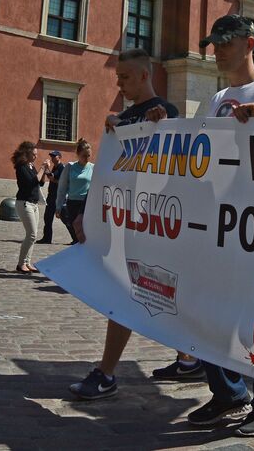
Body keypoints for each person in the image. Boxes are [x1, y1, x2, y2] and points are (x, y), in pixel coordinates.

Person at [184, 15, 254, 438]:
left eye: (226, 42)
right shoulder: (217, 99)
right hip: (221, 221)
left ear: (251, 42)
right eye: (214, 43)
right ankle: (230, 393)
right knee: (208, 312)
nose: (217, 50)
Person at [69, 48, 201, 401]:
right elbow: (111, 172)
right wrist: (89, 210)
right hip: (129, 220)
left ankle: (108, 373)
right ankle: (187, 359)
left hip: (152, 222)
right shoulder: (126, 116)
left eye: (126, 77)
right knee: (142, 293)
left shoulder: (166, 112)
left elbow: (173, 167)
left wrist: (162, 128)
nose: (120, 83)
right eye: (118, 77)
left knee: (135, 294)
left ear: (144, 75)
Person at [11, 141, 48, 273]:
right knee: (31, 234)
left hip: (34, 203)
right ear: (27, 153)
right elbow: (32, 181)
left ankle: (27, 262)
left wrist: (44, 171)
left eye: (36, 154)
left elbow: (40, 183)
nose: (36, 157)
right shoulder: (22, 167)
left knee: (34, 235)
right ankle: (21, 264)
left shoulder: (31, 166)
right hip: (24, 203)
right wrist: (42, 168)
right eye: (34, 154)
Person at [59, 139, 93, 244]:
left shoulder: (93, 168)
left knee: (86, 233)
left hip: (86, 204)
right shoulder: (70, 167)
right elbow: (62, 187)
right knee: (76, 233)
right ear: (78, 154)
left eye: (88, 156)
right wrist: (58, 205)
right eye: (84, 156)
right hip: (73, 203)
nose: (86, 158)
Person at [39, 150, 63, 244]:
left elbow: (54, 179)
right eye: (51, 156)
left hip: (57, 196)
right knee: (47, 217)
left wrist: (46, 169)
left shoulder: (61, 168)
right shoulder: (55, 167)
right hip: (51, 195)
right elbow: (51, 177)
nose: (52, 158)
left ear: (59, 157)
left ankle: (75, 238)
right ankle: (47, 238)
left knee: (65, 218)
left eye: (54, 156)